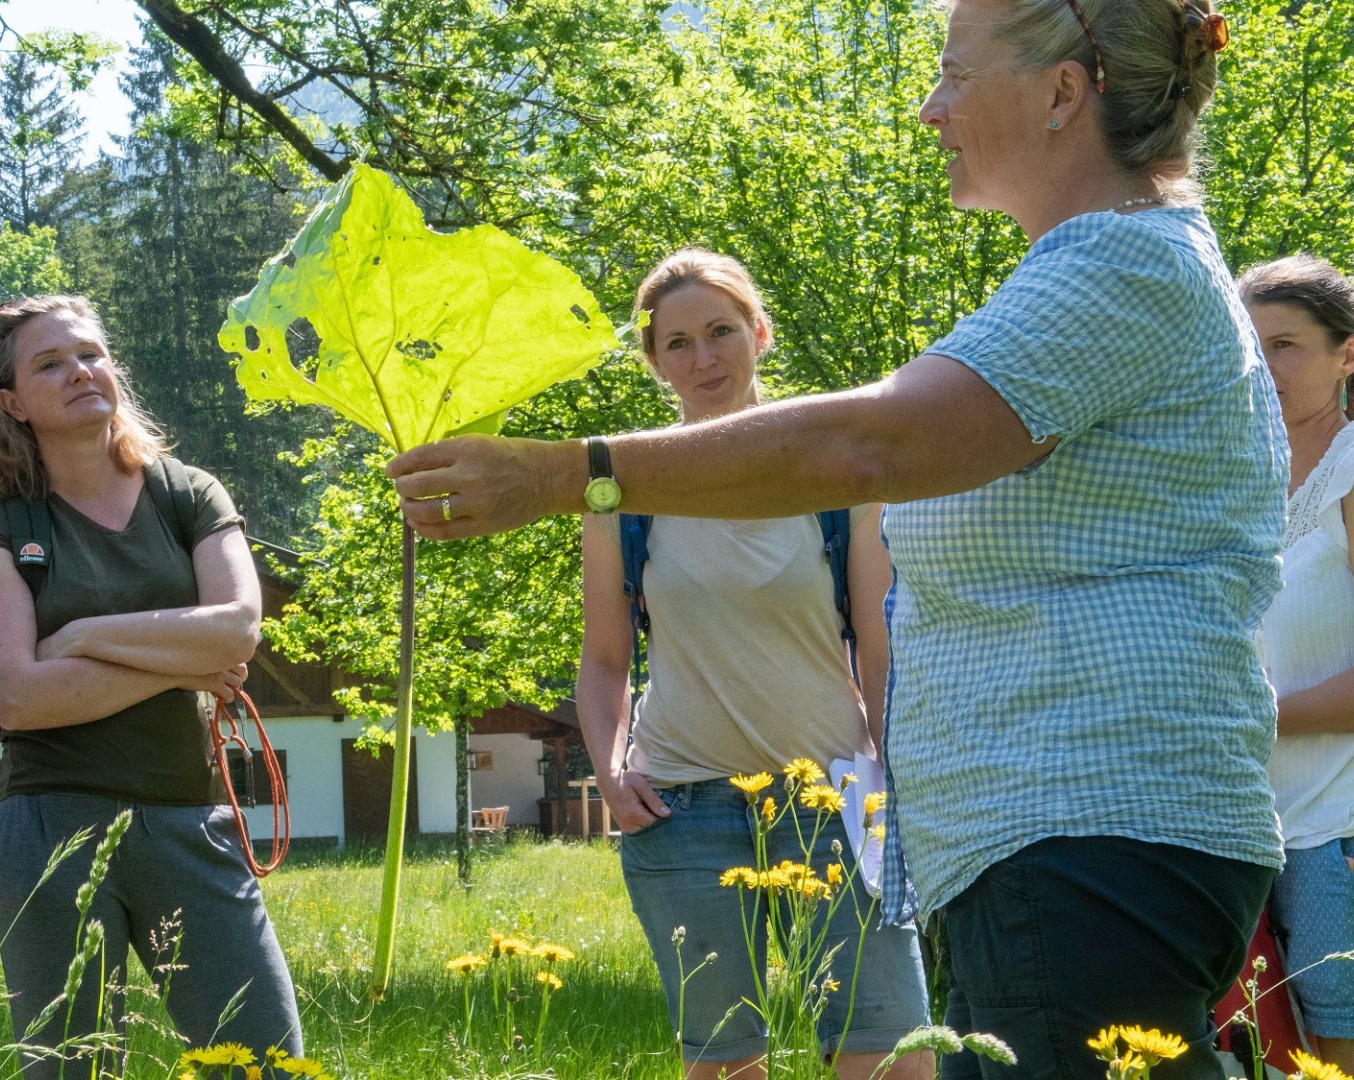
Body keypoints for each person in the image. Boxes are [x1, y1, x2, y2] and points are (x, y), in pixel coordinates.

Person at [392, 1, 1285, 1076]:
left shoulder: (1119, 271)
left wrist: (564, 472)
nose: (929, 107)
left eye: (956, 75)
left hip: (1089, 834)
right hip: (1064, 843)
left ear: (1064, 91)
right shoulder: (1100, 268)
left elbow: (873, 443)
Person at [581, 249, 932, 1080]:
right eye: (677, 343)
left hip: (835, 799)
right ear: (653, 359)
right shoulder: (622, 491)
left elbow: (876, 647)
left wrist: (901, 771)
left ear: (760, 333)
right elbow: (603, 660)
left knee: (889, 1059)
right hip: (683, 808)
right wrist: (609, 769)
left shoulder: (834, 475)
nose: (703, 359)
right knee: (725, 1067)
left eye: (720, 331)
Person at [0, 295, 302, 1077]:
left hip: (191, 815)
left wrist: (79, 638)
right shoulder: (3, 530)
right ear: (12, 402)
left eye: (91, 353)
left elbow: (237, 630)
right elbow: (14, 696)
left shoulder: (187, 494)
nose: (80, 370)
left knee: (264, 1063)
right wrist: (180, 659)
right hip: (50, 829)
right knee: (73, 1069)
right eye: (51, 363)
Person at [1238, 255, 1354, 1079]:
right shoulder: (1240, 488)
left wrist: (1250, 718)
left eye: (1286, 344)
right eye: (1248, 346)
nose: (1263, 367)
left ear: (1349, 354)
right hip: (1257, 843)